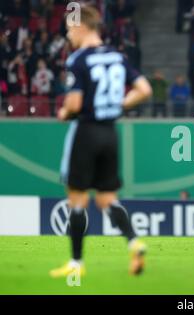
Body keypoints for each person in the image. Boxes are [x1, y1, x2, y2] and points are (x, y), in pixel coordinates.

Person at [50, 6, 152, 278]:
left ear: (83, 27)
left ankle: (76, 264)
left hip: (86, 132)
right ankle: (134, 242)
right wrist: (118, 104)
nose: (68, 35)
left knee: (77, 199)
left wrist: (63, 113)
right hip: (110, 133)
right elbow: (144, 90)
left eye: (71, 29)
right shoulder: (118, 57)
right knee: (107, 198)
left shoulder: (78, 60)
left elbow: (74, 103)